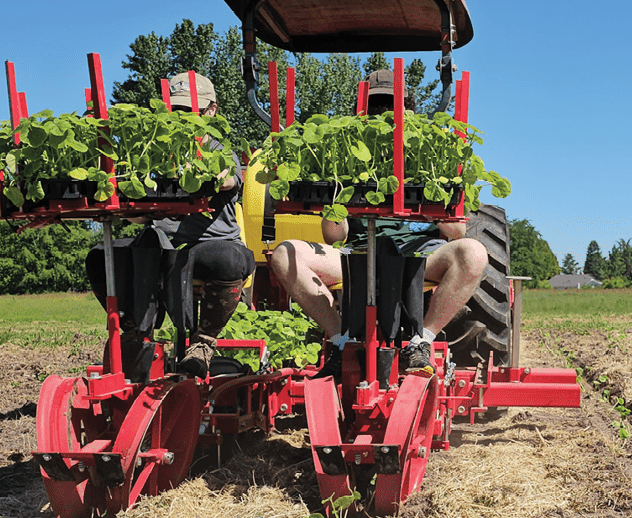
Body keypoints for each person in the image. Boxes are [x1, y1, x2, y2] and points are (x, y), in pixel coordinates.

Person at [268, 70, 488, 378]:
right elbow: (334, 237)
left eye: (391, 104)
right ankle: (341, 341)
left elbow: (456, 233)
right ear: (362, 111)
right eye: (376, 106)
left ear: (409, 108)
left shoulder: (430, 152)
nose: (384, 113)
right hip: (358, 254)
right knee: (285, 254)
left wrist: (429, 200)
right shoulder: (346, 154)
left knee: (474, 253)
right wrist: (337, 203)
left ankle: (420, 341)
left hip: (422, 255)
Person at [86, 72, 253, 380]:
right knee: (101, 255)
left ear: (210, 110)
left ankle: (203, 344)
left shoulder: (218, 147)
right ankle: (136, 335)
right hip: (163, 243)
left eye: (191, 111)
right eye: (177, 111)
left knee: (228, 259)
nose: (184, 119)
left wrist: (209, 177)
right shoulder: (156, 152)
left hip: (212, 244)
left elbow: (230, 178)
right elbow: (140, 216)